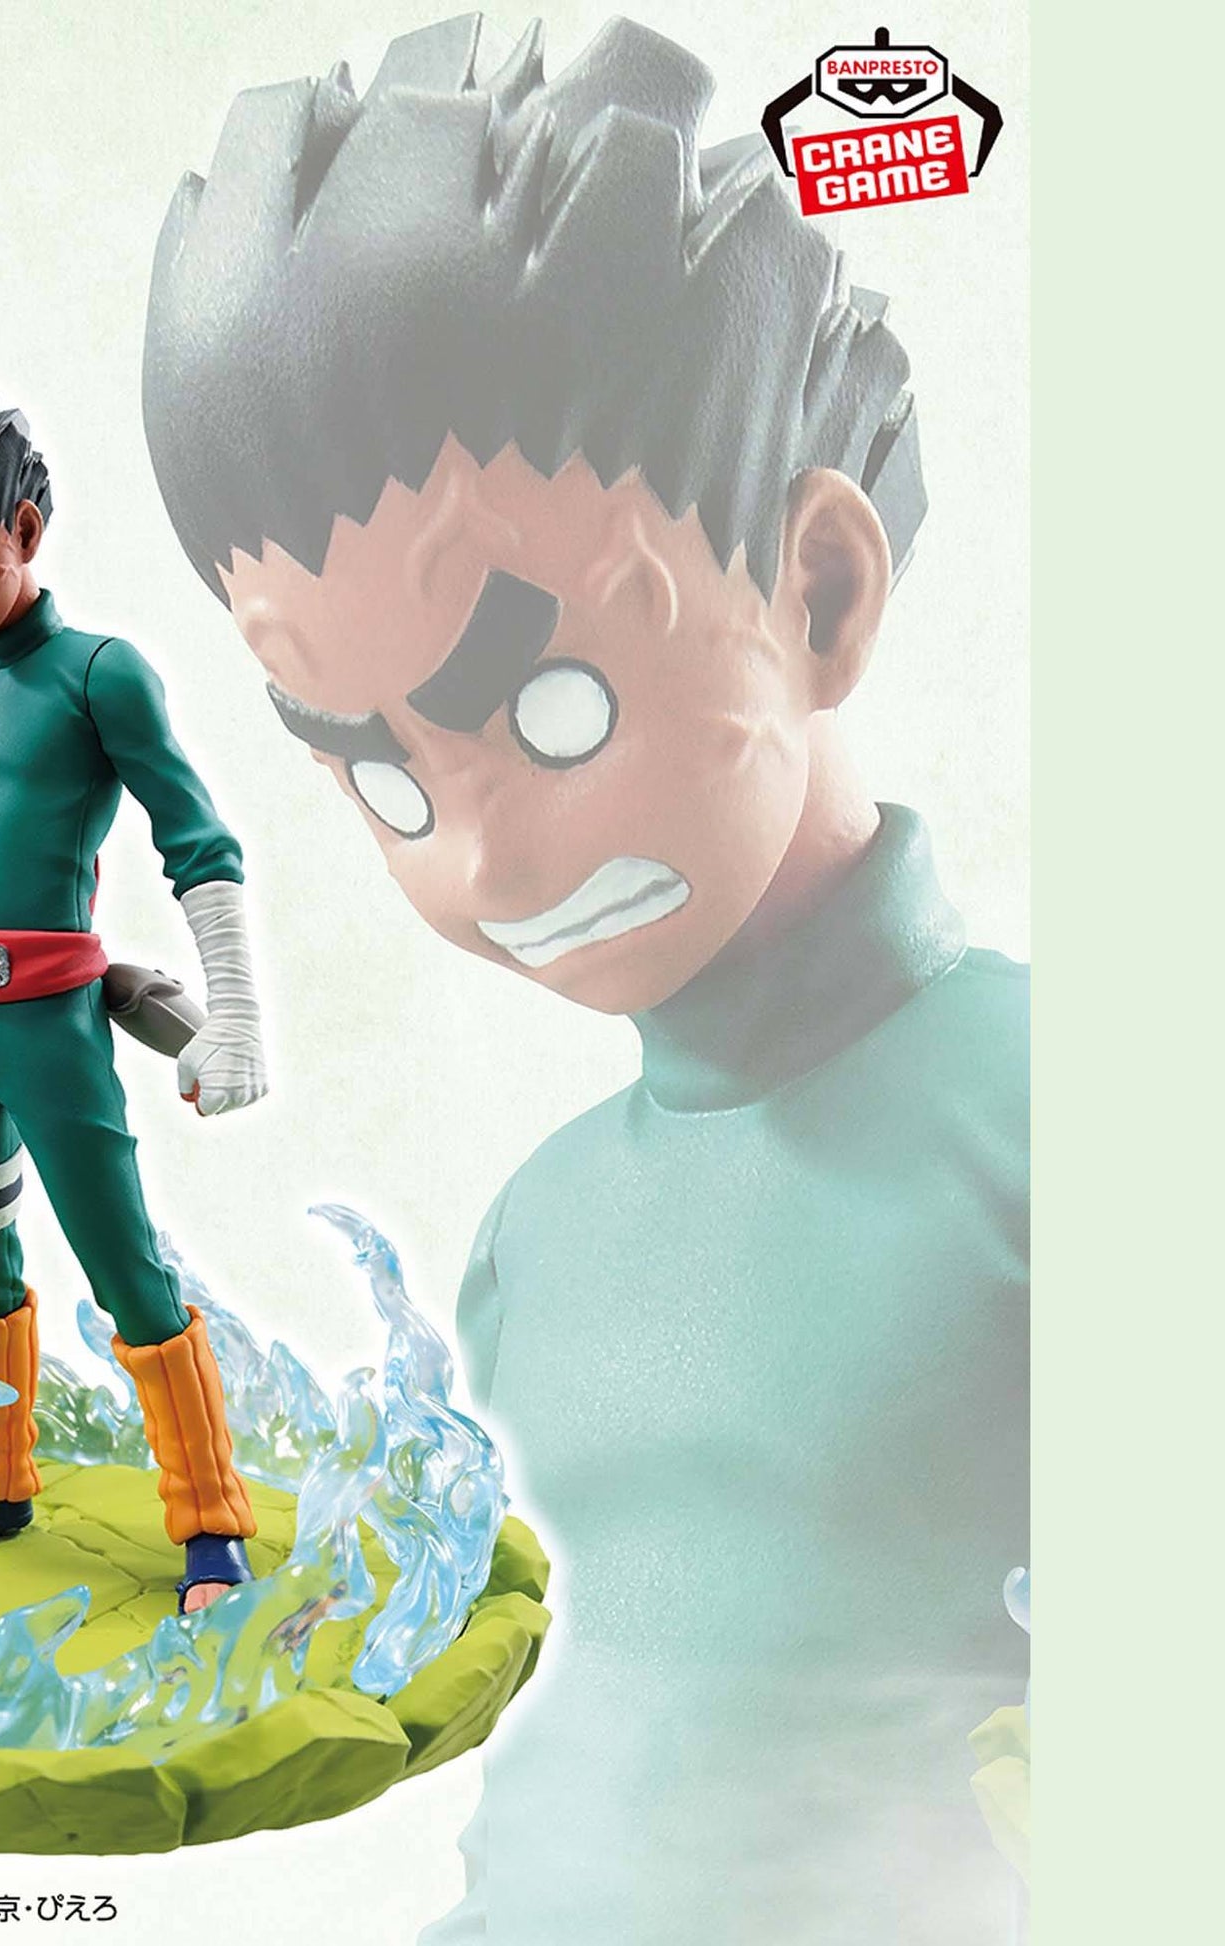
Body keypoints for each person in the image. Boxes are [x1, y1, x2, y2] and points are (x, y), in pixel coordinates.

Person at [142, 16, 1028, 1937]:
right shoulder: (529, 1240)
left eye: (549, 710)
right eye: (380, 777)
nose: (481, 862)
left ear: (818, 591)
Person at [0, 377, 270, 1613]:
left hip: (50, 1032)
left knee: (123, 1266)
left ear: (22, 527)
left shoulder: (99, 674)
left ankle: (209, 1519)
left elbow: (196, 839)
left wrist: (235, 1014)